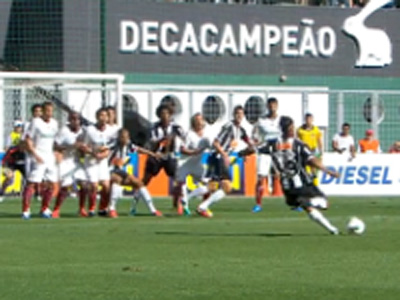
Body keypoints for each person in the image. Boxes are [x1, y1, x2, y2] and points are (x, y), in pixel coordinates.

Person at [271, 116, 340, 235]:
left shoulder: (272, 143)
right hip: (302, 182)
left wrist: (240, 154)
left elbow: (255, 149)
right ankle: (309, 202)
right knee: (324, 203)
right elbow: (311, 160)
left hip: (287, 186)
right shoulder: (298, 144)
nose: (293, 129)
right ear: (289, 128)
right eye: (292, 126)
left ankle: (332, 229)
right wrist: (328, 171)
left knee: (308, 209)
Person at [197, 105, 253, 218]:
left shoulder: (240, 130)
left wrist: (245, 153)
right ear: (233, 114)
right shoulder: (228, 127)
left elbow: (250, 144)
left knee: (212, 186)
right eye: (237, 113)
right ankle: (202, 207)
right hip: (218, 156)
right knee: (226, 187)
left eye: (241, 114)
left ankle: (186, 200)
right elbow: (216, 142)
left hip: (219, 157)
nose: (239, 116)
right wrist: (224, 155)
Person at [108, 128, 162, 217]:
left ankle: (153, 210)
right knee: (116, 180)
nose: (124, 139)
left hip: (120, 171)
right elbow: (104, 151)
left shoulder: (129, 145)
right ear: (118, 137)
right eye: (122, 137)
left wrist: (153, 154)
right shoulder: (113, 145)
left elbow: (139, 149)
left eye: (126, 137)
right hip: (108, 171)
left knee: (139, 183)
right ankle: (112, 209)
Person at [142, 104, 185, 211]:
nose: (164, 116)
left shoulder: (176, 127)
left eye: (167, 113)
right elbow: (152, 142)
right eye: (162, 113)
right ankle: (136, 200)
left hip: (171, 156)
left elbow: (185, 139)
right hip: (156, 156)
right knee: (145, 180)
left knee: (177, 179)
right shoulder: (154, 127)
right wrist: (164, 140)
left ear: (170, 114)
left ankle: (177, 203)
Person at [22, 101, 59, 219]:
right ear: (42, 111)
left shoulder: (54, 123)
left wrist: (57, 152)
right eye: (47, 110)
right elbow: (28, 140)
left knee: (51, 184)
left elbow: (54, 140)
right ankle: (26, 210)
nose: (49, 113)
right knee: (32, 182)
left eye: (51, 111)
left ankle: (44, 209)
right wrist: (35, 154)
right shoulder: (36, 122)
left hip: (50, 157)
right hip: (38, 155)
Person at [78, 107, 113, 217]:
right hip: (91, 161)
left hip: (102, 162)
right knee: (94, 185)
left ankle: (103, 208)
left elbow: (109, 148)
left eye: (105, 116)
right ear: (97, 117)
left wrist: (103, 155)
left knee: (106, 186)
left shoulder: (110, 130)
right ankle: (92, 208)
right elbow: (83, 146)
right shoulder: (90, 130)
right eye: (101, 116)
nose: (103, 118)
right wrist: (93, 153)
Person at [252, 97, 283, 213]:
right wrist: (256, 142)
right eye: (270, 106)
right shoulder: (261, 121)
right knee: (261, 178)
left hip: (278, 152)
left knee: (285, 177)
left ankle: (295, 202)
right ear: (267, 107)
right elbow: (254, 136)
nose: (272, 108)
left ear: (277, 106)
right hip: (264, 153)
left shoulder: (282, 120)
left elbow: (289, 134)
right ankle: (258, 204)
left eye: (274, 105)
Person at [51, 112, 85, 218]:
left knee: (84, 184)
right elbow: (55, 146)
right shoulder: (64, 131)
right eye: (73, 119)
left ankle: (82, 208)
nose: (75, 121)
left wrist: (83, 149)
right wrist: (70, 146)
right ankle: (56, 209)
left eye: (77, 119)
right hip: (65, 160)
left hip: (77, 160)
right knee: (66, 186)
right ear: (69, 120)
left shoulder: (83, 132)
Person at [176, 113, 211, 215]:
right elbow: (182, 149)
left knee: (209, 185)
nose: (200, 122)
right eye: (197, 120)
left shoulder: (206, 135)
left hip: (197, 164)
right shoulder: (189, 134)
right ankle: (183, 208)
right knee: (181, 186)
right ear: (193, 122)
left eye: (201, 120)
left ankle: (203, 207)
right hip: (184, 163)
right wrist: (193, 152)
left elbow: (213, 146)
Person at [0, 120, 25, 201]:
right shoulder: (11, 135)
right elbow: (7, 148)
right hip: (12, 160)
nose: (18, 128)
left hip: (22, 159)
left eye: (20, 126)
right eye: (17, 126)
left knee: (28, 178)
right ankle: (1, 192)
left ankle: (29, 194)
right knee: (9, 178)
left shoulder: (24, 135)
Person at [297, 113, 323, 185]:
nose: (308, 121)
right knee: (305, 168)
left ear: (312, 120)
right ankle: (307, 184)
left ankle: (315, 185)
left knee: (314, 169)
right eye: (307, 119)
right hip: (304, 151)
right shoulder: (300, 130)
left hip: (313, 150)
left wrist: (321, 152)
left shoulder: (316, 130)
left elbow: (319, 141)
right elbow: (296, 140)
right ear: (305, 120)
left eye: (310, 119)